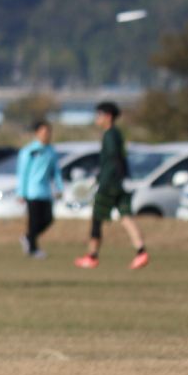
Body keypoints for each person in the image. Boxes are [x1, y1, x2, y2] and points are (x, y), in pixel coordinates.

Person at [74, 102, 149, 270]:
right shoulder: (117, 134)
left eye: (99, 115)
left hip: (109, 184)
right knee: (126, 216)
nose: (97, 118)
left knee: (97, 218)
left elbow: (114, 160)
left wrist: (102, 180)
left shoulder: (109, 135)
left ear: (108, 116)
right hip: (119, 183)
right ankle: (141, 252)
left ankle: (92, 256)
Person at [16, 120, 62, 259]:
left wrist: (59, 187)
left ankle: (28, 238)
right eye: (43, 132)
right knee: (34, 222)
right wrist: (21, 192)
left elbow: (56, 171)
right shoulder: (29, 151)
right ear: (37, 133)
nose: (46, 135)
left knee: (48, 219)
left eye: (48, 132)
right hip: (32, 191)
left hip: (45, 191)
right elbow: (22, 173)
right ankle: (33, 248)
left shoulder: (51, 151)